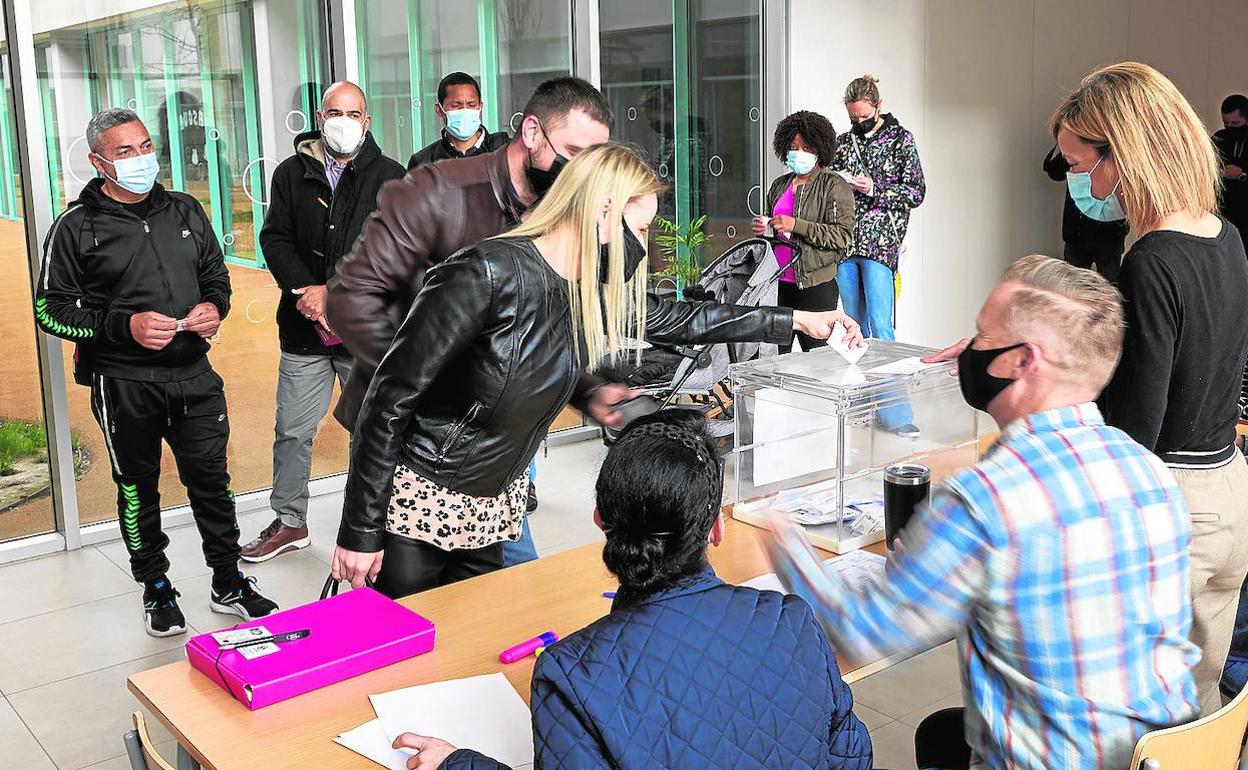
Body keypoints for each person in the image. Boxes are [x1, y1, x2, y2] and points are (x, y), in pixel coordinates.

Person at [330, 143, 863, 598]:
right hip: (420, 504)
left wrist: (798, 318)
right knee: (404, 662)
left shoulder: (583, 284)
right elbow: (388, 399)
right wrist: (360, 528)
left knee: (472, 649)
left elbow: (680, 317)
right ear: (603, 209)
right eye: (640, 227)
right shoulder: (484, 272)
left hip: (492, 506)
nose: (643, 245)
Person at [767, 255, 1200, 770]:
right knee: (940, 733)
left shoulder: (986, 500)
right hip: (1164, 757)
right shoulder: (1150, 473)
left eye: (981, 335)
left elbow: (861, 633)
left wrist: (782, 538)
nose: (968, 349)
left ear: (1022, 360)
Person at [387, 410, 873, 770]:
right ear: (714, 531)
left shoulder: (569, 672)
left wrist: (459, 764)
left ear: (600, 521)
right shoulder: (792, 619)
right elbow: (853, 755)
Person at [33, 109, 278, 637]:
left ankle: (228, 580)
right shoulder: (75, 228)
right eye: (124, 152)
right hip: (123, 385)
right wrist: (125, 327)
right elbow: (50, 310)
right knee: (138, 490)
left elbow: (217, 278)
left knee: (213, 483)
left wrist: (216, 307)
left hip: (194, 375)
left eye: (144, 146)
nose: (141, 158)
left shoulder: (186, 210)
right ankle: (156, 587)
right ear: (99, 162)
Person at [1051, 63, 1248, 714]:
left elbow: (1136, 426)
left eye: (1084, 166)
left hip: (1173, 507)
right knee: (1200, 713)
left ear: (1126, 153)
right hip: (1228, 489)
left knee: (1132, 717)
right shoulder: (1226, 236)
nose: (1081, 182)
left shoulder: (1154, 258)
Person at [241, 82, 405, 563]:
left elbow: (393, 252)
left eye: (354, 113)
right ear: (319, 114)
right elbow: (275, 240)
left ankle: (373, 522)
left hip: (364, 333)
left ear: (367, 121)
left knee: (371, 430)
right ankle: (290, 521)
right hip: (303, 330)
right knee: (292, 429)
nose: (343, 121)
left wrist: (332, 293)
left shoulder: (391, 176)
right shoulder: (291, 174)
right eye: (335, 111)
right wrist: (306, 294)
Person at [752, 110, 856, 353]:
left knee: (819, 361)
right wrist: (764, 229)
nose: (798, 153)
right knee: (774, 359)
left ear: (820, 149)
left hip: (814, 287)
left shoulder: (834, 185)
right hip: (777, 285)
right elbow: (776, 229)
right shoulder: (780, 185)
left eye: (806, 148)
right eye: (793, 147)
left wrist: (795, 225)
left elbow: (842, 236)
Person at [832, 75, 926, 341]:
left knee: (881, 326)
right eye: (853, 119)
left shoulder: (900, 140)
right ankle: (857, 381)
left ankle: (888, 383)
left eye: (864, 117)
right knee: (852, 326)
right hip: (846, 244)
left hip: (881, 245)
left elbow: (916, 191)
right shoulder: (843, 143)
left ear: (878, 105)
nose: (859, 123)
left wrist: (875, 189)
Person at [1042, 143, 1129, 283]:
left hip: (1110, 234)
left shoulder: (1117, 149)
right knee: (1072, 289)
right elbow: (1054, 172)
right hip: (1077, 232)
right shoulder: (1077, 146)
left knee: (1109, 289)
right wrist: (1065, 144)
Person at [408, 72, 510, 170]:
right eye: (456, 106)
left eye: (471, 105)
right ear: (439, 110)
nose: (465, 111)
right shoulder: (423, 163)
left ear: (480, 107)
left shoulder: (506, 150)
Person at [1214, 93, 1248, 239]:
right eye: (1226, 123)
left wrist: (1241, 174)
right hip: (1224, 213)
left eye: (1235, 124)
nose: (1229, 128)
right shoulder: (1219, 137)